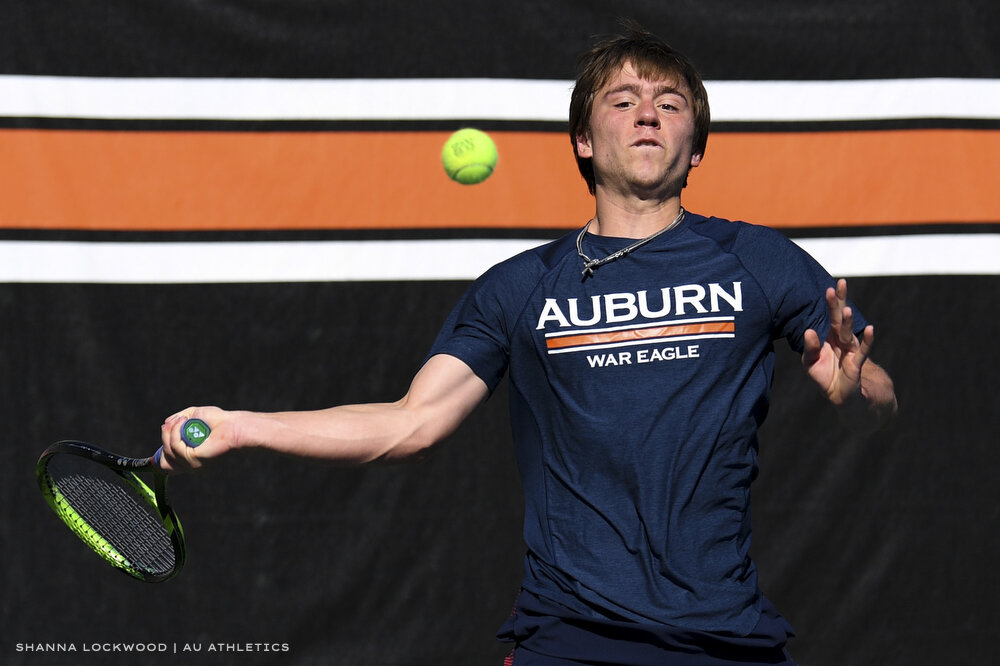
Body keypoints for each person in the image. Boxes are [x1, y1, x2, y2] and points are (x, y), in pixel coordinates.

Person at [160, 22, 897, 665]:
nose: (648, 116)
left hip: (727, 637)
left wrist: (854, 390)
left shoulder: (758, 260)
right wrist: (242, 425)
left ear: (695, 148)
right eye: (623, 101)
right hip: (571, 637)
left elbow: (878, 397)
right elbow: (410, 422)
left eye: (670, 105)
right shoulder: (519, 287)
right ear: (583, 139)